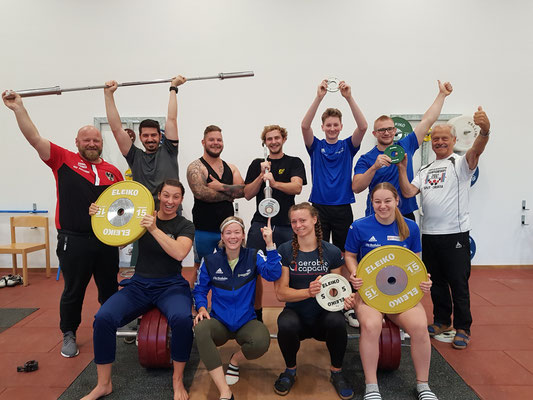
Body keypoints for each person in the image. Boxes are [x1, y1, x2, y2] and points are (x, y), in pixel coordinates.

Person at [2, 90, 123, 358]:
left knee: (109, 289)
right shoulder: (62, 160)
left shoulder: (112, 172)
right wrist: (19, 108)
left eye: (96, 140)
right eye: (86, 139)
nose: (92, 143)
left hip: (105, 242)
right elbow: (34, 138)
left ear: (101, 143)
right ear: (77, 142)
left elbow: (121, 207)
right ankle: (69, 332)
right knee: (73, 291)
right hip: (74, 239)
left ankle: (111, 324)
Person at [82, 179, 195, 400]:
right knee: (103, 317)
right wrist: (100, 213)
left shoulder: (184, 225)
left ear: (181, 200)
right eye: (166, 195)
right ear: (159, 195)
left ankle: (177, 380)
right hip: (140, 285)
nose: (170, 201)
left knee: (182, 320)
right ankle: (103, 384)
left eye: (175, 197)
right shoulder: (141, 217)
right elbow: (118, 239)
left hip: (170, 285)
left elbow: (180, 253)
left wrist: (152, 229)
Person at [397, 107, 491, 350]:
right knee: (436, 281)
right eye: (436, 138)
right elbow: (408, 192)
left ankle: (463, 328)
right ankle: (441, 321)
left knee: (458, 283)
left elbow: (477, 150)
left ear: (454, 140)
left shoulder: (461, 163)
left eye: (444, 138)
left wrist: (485, 131)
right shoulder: (425, 169)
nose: (439, 142)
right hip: (429, 234)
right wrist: (401, 167)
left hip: (455, 234)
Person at [344, 183, 435, 400]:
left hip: (399, 294)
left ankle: (423, 385)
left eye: (387, 201)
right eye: (377, 202)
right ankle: (371, 386)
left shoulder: (411, 228)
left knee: (421, 327)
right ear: (371, 203)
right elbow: (349, 255)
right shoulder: (359, 227)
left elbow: (416, 263)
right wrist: (355, 274)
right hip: (370, 294)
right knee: (371, 325)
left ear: (397, 201)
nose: (382, 206)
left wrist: (424, 281)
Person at [193, 216, 282, 400]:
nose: (232, 237)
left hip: (245, 322)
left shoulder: (253, 255)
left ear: (243, 236)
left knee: (261, 341)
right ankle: (224, 390)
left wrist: (270, 244)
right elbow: (199, 289)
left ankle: (235, 360)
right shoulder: (210, 260)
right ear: (222, 236)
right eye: (228, 233)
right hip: (220, 323)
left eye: (237, 232)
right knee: (201, 328)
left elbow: (273, 273)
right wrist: (202, 308)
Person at [273, 202, 353, 400]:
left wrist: (347, 300)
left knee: (337, 321)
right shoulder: (284, 251)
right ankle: (290, 371)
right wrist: (307, 292)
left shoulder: (332, 252)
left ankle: (337, 371)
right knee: (285, 322)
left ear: (315, 219)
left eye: (302, 220)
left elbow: (338, 290)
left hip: (323, 318)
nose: (298, 225)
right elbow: (281, 293)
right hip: (297, 316)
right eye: (294, 221)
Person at [352, 81, 453, 221]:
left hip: (405, 214)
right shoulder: (366, 158)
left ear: (395, 131)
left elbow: (427, 120)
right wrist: (374, 167)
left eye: (389, 129)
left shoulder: (406, 145)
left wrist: (442, 95)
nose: (386, 133)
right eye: (381, 130)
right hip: (377, 215)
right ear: (375, 134)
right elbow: (356, 187)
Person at [244, 124, 307, 321]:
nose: (273, 142)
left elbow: (297, 188)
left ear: (283, 139)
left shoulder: (294, 162)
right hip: (260, 224)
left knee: (292, 270)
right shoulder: (257, 164)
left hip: (288, 225)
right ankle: (256, 316)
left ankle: (295, 313)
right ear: (265, 142)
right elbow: (247, 194)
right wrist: (261, 176)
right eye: (269, 139)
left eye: (277, 138)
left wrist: (274, 181)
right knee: (253, 270)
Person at [301, 79, 368, 253]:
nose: (332, 128)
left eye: (335, 125)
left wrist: (349, 97)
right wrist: (318, 97)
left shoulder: (348, 146)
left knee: (344, 252)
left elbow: (363, 127)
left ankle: (343, 282)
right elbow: (304, 125)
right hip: (318, 207)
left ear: (341, 127)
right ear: (322, 127)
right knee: (318, 251)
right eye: (328, 125)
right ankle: (320, 281)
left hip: (342, 207)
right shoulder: (315, 146)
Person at [104, 75, 186, 206]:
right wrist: (108, 95)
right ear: (140, 137)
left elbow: (172, 119)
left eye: (153, 135)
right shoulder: (134, 156)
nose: (150, 139)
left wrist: (173, 88)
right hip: (143, 213)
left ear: (160, 136)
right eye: (146, 136)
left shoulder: (169, 150)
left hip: (170, 211)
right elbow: (116, 128)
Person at [186, 125, 245, 284]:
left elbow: (242, 191)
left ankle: (227, 303)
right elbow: (201, 193)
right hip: (203, 230)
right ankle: (195, 303)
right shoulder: (196, 167)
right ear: (203, 142)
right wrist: (228, 194)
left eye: (219, 140)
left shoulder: (231, 167)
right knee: (200, 268)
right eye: (211, 139)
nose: (215, 143)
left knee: (230, 267)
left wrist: (220, 187)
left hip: (227, 231)